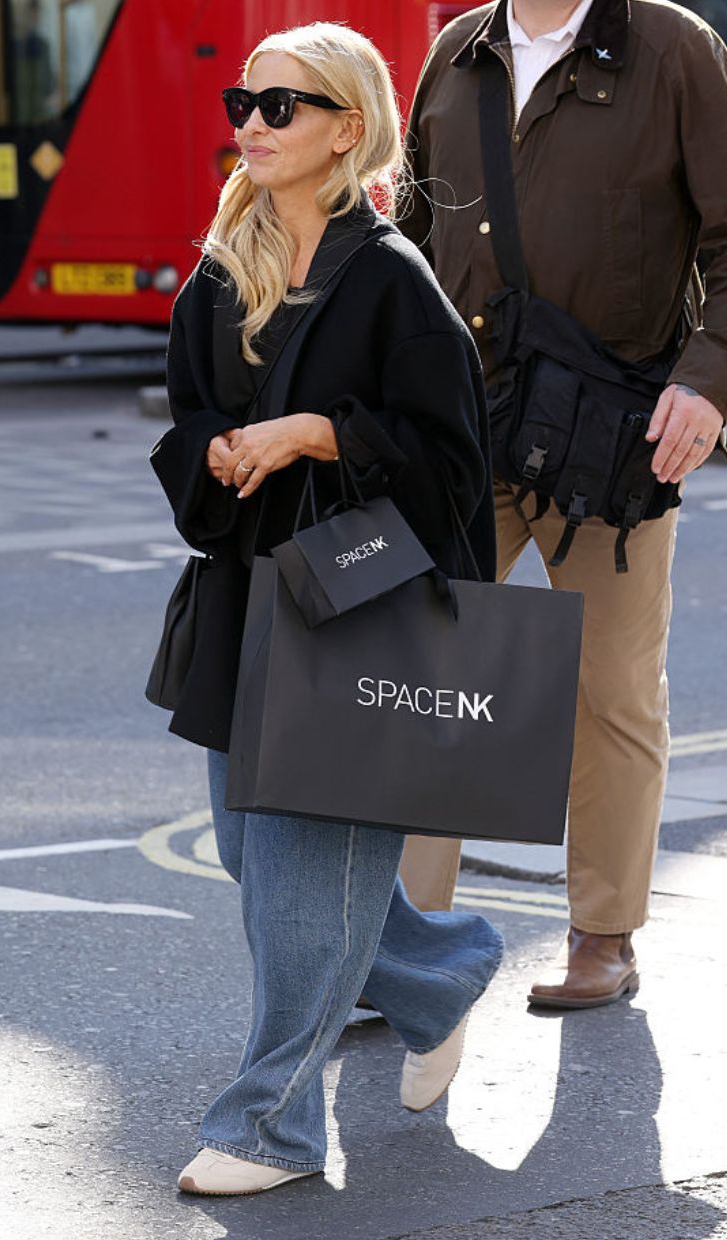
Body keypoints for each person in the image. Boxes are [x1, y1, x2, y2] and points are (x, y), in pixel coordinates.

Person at [152, 21, 504, 1197]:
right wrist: (212, 454)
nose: (251, 121)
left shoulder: (396, 281)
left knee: (306, 882)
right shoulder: (222, 270)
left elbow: (454, 468)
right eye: (243, 101)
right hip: (247, 598)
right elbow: (186, 415)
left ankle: (272, 1129)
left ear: (348, 129)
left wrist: (319, 433)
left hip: (357, 608)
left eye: (282, 105)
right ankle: (440, 969)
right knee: (261, 859)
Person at [400, 0, 727, 1009]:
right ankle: (403, 947)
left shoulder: (674, 50)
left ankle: (604, 934)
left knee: (612, 693)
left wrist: (708, 379)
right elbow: (409, 238)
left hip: (613, 438)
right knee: (419, 683)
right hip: (462, 422)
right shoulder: (457, 51)